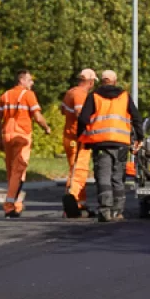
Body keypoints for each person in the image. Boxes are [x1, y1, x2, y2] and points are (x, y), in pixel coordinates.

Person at [77, 70, 143, 222]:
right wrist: (139, 137)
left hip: (101, 144)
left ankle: (105, 211)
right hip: (121, 143)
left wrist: (82, 137)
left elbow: (83, 119)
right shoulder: (124, 96)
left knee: (103, 177)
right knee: (118, 177)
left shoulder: (94, 96)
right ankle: (117, 212)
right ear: (115, 81)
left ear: (102, 81)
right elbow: (136, 117)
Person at [0, 70, 52, 218]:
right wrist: (46, 128)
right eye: (29, 80)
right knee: (18, 171)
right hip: (21, 136)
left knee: (11, 171)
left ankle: (17, 204)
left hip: (7, 135)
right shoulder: (28, 95)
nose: (32, 83)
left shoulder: (5, 95)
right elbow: (37, 117)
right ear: (22, 80)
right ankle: (9, 206)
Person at [60, 68, 97, 218]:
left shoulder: (70, 92)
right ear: (90, 82)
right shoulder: (81, 94)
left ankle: (80, 203)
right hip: (79, 138)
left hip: (69, 136)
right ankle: (72, 198)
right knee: (79, 170)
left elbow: (63, 110)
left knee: (75, 169)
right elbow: (81, 115)